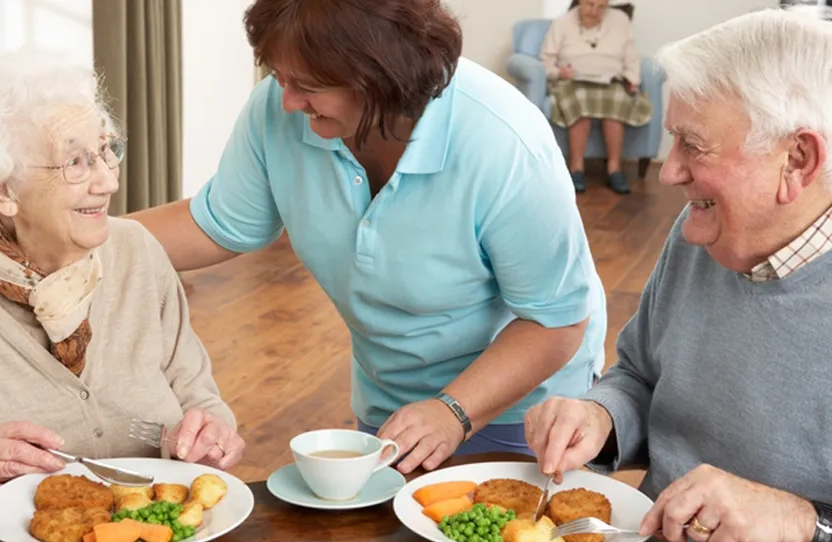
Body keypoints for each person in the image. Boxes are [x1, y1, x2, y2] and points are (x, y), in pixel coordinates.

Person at [130, 0, 607, 476]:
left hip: (522, 408)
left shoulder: (504, 142)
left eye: (309, 86)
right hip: (392, 402)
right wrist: (83, 235)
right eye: (280, 77)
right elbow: (216, 223)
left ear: (381, 79)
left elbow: (556, 321)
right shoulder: (280, 113)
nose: (289, 102)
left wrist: (453, 411)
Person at [525, 9, 832, 542]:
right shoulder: (699, 232)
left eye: (693, 145)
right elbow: (641, 374)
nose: (669, 171)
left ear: (797, 160)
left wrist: (802, 520)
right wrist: (601, 416)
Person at [0, 50, 245, 522]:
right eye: (75, 162)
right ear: (0, 189)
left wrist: (212, 433)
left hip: (157, 531)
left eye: (105, 150)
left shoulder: (137, 251)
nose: (108, 180)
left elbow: (197, 395)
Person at [539, 0, 653, 194]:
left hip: (610, 81)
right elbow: (545, 61)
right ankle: (576, 169)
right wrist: (559, 72)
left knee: (617, 101)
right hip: (573, 81)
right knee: (580, 101)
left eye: (601, 7)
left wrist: (632, 79)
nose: (595, 11)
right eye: (590, 5)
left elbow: (631, 57)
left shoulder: (621, 20)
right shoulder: (562, 23)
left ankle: (614, 170)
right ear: (580, 2)